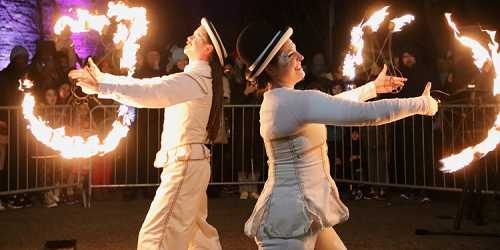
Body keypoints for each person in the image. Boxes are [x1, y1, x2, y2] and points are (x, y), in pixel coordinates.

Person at [236, 22, 439, 249]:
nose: (301, 57)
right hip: (288, 222)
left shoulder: (285, 99)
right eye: (291, 54)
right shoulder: (290, 101)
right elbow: (365, 114)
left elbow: (335, 103)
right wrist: (421, 104)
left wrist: (372, 88)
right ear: (271, 69)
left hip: (307, 213)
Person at [69, 18, 227, 250]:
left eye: (196, 37)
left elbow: (151, 91)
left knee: (156, 238)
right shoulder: (199, 79)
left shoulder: (195, 79)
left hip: (185, 165)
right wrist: (103, 80)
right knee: (198, 236)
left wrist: (103, 84)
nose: (189, 38)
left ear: (208, 49)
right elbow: (151, 85)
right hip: (191, 163)